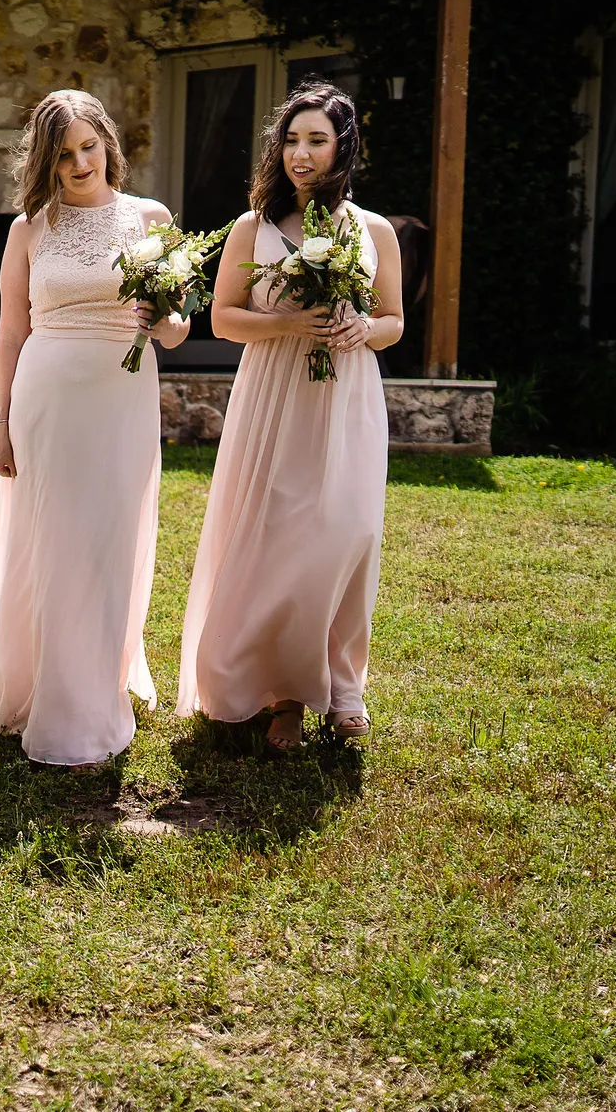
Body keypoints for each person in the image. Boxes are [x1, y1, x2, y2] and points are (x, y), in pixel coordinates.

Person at [0, 89, 188, 768]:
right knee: (52, 543)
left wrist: (161, 315)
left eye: (89, 146)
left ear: (107, 143)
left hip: (121, 401)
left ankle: (97, 686)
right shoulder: (30, 227)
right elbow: (12, 331)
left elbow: (179, 328)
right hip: (47, 398)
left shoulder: (150, 217)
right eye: (64, 154)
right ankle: (48, 692)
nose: (81, 162)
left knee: (109, 541)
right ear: (48, 164)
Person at [175, 81, 405, 751]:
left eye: (316, 140)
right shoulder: (254, 227)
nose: (300, 153)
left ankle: (342, 685)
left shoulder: (376, 231)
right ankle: (284, 694)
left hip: (346, 399)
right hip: (275, 395)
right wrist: (286, 319)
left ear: (343, 148)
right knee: (279, 538)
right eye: (292, 139)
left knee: (344, 533)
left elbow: (393, 320)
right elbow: (221, 320)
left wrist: (362, 327)